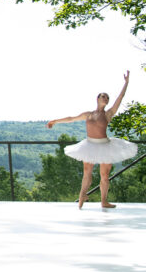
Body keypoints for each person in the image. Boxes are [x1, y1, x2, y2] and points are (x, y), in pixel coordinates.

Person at [47, 70, 135, 209]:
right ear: (97, 99)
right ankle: (82, 195)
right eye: (103, 96)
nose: (105, 98)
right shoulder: (88, 114)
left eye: (107, 98)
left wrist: (126, 83)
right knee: (87, 173)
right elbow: (71, 118)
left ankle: (104, 201)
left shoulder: (108, 114)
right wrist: (55, 121)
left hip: (105, 146)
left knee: (104, 175)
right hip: (89, 145)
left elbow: (121, 97)